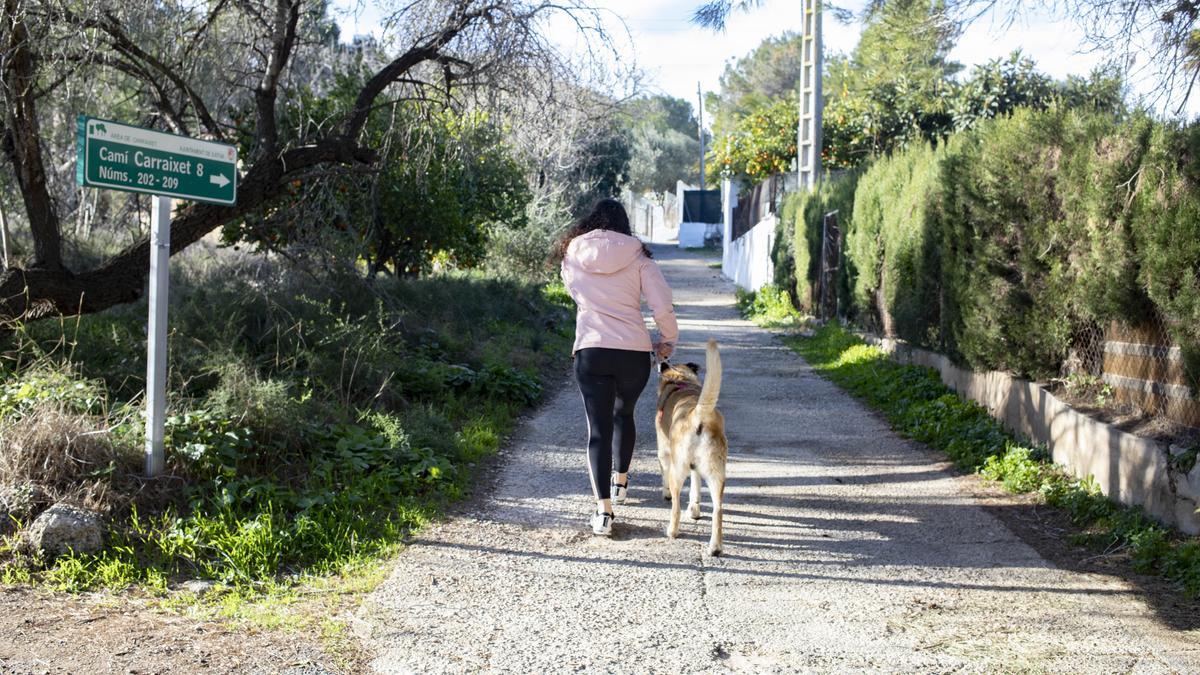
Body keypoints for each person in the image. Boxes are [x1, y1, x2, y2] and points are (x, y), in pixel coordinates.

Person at [558, 199, 678, 536]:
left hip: (591, 350)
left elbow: (575, 293)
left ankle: (603, 512)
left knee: (598, 430)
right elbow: (661, 305)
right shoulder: (639, 257)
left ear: (591, 221)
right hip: (633, 353)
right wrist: (667, 340)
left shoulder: (572, 254)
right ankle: (621, 482)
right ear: (623, 223)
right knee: (623, 414)